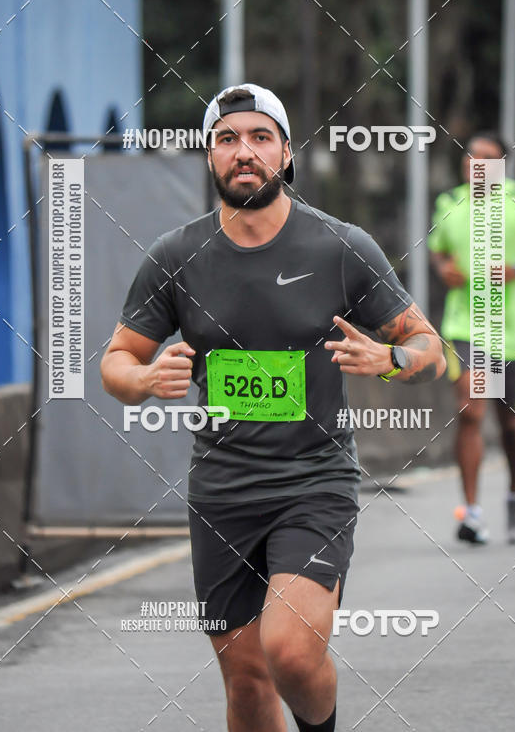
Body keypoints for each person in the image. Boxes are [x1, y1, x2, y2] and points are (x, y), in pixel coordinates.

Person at [101, 82, 446, 732]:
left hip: (314, 482)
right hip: (222, 491)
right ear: (209, 156)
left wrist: (392, 360)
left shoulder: (340, 245)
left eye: (260, 136)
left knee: (287, 650)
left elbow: (431, 346)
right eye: (227, 138)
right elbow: (115, 361)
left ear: (286, 154)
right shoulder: (176, 257)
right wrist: (144, 380)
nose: (244, 150)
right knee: (247, 679)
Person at [428, 133, 515, 545]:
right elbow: (438, 248)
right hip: (466, 327)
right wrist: (442, 268)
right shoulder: (448, 202)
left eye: (488, 158)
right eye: (471, 156)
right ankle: (471, 513)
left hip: (514, 333)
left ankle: (514, 493)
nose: (477, 163)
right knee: (471, 411)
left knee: (509, 422)